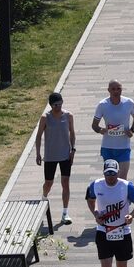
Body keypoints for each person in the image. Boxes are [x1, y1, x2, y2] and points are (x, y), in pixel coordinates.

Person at [35, 92, 76, 225]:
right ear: (51, 105)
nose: (58, 107)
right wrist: (38, 153)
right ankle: (43, 198)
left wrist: (73, 149)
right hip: (50, 156)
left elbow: (72, 133)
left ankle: (65, 213)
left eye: (59, 104)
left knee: (65, 183)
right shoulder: (45, 118)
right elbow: (39, 136)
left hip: (65, 155)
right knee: (49, 183)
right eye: (55, 105)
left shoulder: (68, 116)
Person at [93, 80, 134, 179]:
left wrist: (132, 130)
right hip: (108, 147)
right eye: (113, 89)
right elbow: (94, 125)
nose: (116, 91)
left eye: (118, 89)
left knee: (122, 178)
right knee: (110, 178)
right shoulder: (102, 105)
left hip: (124, 147)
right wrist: (100, 130)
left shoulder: (129, 102)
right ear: (108, 90)